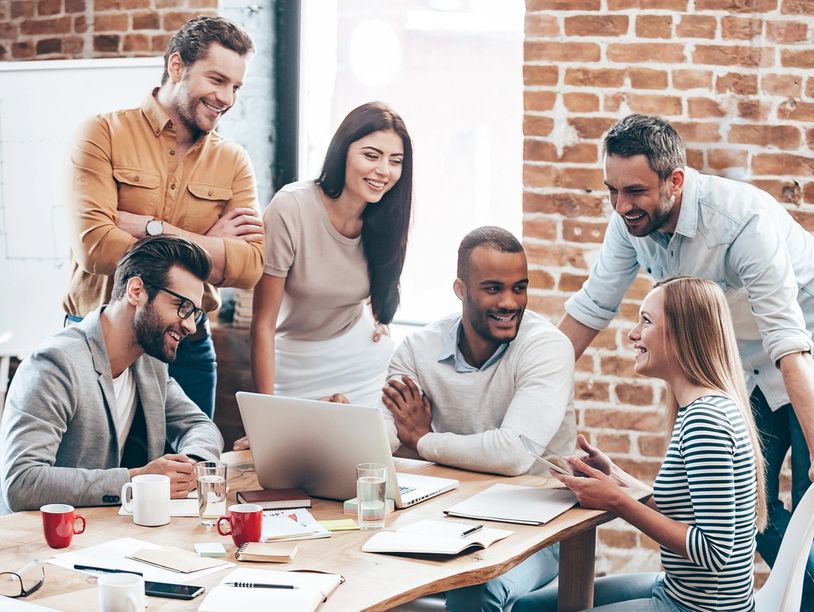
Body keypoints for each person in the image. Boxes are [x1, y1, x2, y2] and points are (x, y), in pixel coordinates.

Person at [558, 113, 814, 608]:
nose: (620, 205)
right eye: (611, 190)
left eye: (634, 191)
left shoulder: (743, 222)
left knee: (813, 508)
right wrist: (526, 387)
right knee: (746, 511)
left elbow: (788, 341)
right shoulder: (630, 221)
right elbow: (591, 308)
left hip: (803, 361)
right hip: (745, 370)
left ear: (675, 181)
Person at [516, 277, 767, 611]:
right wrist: (616, 477)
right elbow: (683, 510)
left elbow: (714, 552)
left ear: (682, 335)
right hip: (678, 591)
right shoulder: (706, 407)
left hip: (699, 607)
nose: (633, 334)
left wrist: (616, 501)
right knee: (528, 608)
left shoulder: (706, 420)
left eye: (646, 321)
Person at [63, 16, 265, 419]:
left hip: (186, 344)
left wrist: (154, 229)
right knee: (100, 472)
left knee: (190, 467)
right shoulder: (102, 134)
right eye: (217, 80)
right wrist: (210, 243)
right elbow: (96, 248)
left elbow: (250, 267)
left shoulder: (233, 162)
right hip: (99, 337)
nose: (227, 98)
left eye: (236, 87)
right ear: (177, 66)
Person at [380, 226, 576, 612]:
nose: (510, 302)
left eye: (519, 288)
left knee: (478, 590)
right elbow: (380, 436)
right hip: (440, 516)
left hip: (540, 527)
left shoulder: (547, 347)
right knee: (364, 572)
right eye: (493, 288)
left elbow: (513, 454)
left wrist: (422, 442)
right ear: (460, 289)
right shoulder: (417, 349)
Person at [233, 101, 412, 450]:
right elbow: (263, 324)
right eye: (371, 155)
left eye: (395, 161)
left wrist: (379, 323)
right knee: (292, 457)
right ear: (343, 152)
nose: (384, 171)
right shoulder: (292, 207)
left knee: (368, 458)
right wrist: (263, 419)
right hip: (294, 363)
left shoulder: (387, 217)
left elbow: (379, 290)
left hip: (359, 363)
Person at [0, 235, 223, 514]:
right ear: (136, 291)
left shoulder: (149, 363)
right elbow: (21, 483)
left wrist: (188, 465)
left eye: (195, 314)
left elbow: (200, 426)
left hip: (106, 536)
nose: (190, 326)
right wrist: (135, 481)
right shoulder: (55, 364)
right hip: (44, 544)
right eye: (183, 307)